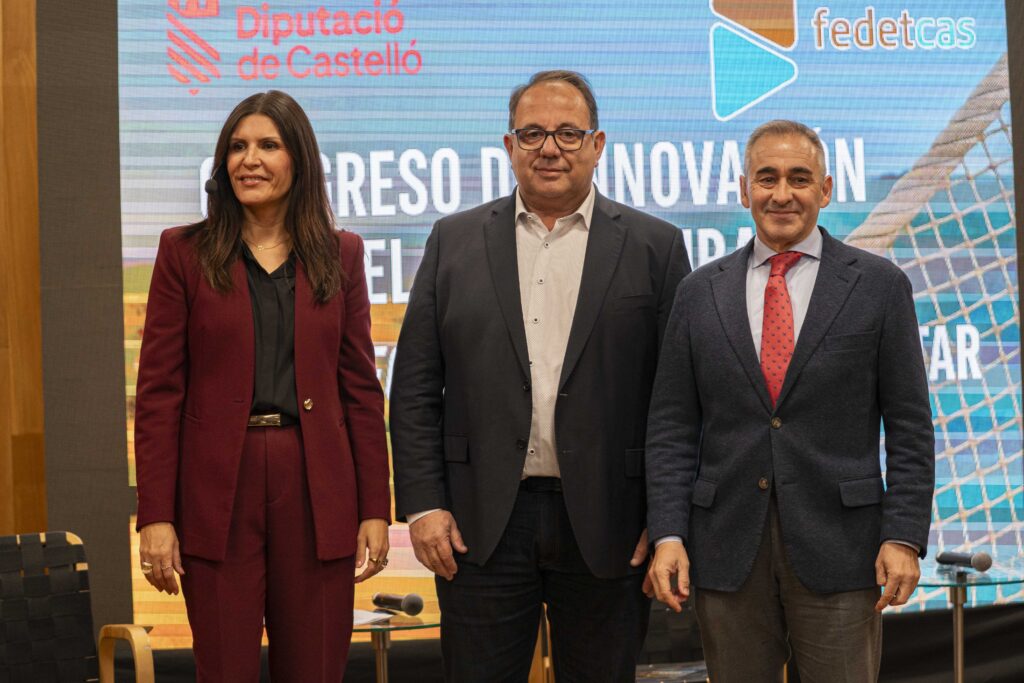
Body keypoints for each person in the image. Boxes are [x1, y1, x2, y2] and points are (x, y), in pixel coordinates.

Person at [389, 70, 690, 681]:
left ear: (597, 145)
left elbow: (678, 402)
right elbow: (416, 388)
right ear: (509, 145)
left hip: (612, 522)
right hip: (479, 525)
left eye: (568, 134)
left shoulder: (655, 246)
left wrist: (666, 520)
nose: (549, 148)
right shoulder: (453, 240)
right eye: (532, 134)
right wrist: (423, 507)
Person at [644, 119, 935, 682]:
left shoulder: (879, 286)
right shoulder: (698, 293)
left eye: (799, 179)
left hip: (844, 551)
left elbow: (910, 427)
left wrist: (902, 537)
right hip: (726, 551)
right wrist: (669, 535)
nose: (782, 194)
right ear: (744, 189)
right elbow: (672, 429)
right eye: (767, 178)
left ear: (825, 190)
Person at [133, 90, 391, 682]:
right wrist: (156, 515)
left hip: (315, 485)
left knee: (316, 669)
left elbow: (359, 390)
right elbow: (159, 395)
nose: (249, 160)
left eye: (268, 145)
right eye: (237, 147)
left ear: (298, 160)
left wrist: (375, 508)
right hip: (217, 491)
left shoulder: (342, 254)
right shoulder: (183, 252)